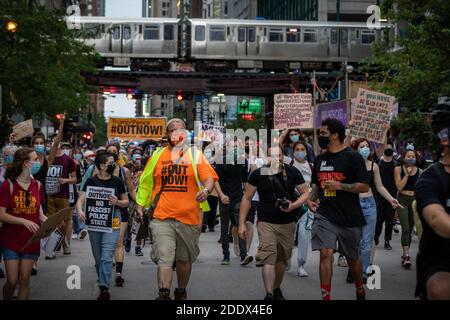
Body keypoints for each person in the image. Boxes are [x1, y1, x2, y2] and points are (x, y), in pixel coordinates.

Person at [136, 118, 216, 300]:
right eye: (172, 130)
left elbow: (209, 178)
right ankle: (163, 293)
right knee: (165, 256)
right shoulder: (157, 155)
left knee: (183, 260)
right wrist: (140, 206)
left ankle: (180, 290)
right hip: (161, 217)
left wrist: (205, 190)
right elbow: (146, 184)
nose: (177, 132)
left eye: (180, 129)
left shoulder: (195, 155)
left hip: (189, 217)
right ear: (167, 135)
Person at [307, 118, 370, 300]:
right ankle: (326, 296)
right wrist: (310, 200)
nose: (320, 137)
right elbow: (317, 187)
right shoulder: (320, 159)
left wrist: (341, 186)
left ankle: (359, 288)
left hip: (349, 217)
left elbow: (364, 186)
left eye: (324, 133)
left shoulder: (353, 157)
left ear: (335, 135)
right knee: (325, 253)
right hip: (325, 214)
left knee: (352, 258)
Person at [239, 144, 309, 300]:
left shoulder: (292, 172)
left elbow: (305, 193)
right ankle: (269, 293)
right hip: (266, 222)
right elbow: (246, 198)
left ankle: (276, 288)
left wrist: (293, 206)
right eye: (271, 155)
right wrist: (242, 223)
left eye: (278, 155)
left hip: (287, 222)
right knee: (268, 256)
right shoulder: (258, 174)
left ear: (283, 157)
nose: (275, 159)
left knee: (282, 260)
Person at [76, 152, 129, 300]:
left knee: (107, 255)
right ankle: (103, 279)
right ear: (102, 166)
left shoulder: (117, 181)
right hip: (95, 221)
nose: (114, 165)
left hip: (113, 219)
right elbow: (81, 199)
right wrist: (80, 210)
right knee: (98, 257)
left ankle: (104, 287)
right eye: (111, 163)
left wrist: (117, 202)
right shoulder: (91, 181)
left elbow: (126, 201)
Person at [350, 138, 400, 283]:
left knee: (367, 241)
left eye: (367, 146)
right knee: (354, 241)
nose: (365, 148)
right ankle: (353, 269)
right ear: (356, 149)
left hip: (370, 204)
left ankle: (364, 272)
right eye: (361, 146)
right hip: (354, 205)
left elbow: (380, 187)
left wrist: (391, 199)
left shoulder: (374, 166)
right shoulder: (350, 165)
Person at [414, 97, 450, 300]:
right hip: (440, 260)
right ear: (444, 137)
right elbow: (437, 220)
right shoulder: (430, 179)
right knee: (441, 289)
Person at [0, 148, 47, 299]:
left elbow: (39, 213)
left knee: (24, 280)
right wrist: (23, 221)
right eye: (35, 159)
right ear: (26, 163)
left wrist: (49, 221)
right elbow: (1, 215)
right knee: (12, 281)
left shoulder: (38, 185)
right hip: (11, 241)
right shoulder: (8, 185)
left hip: (31, 240)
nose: (38, 162)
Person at [100, 143, 137, 286]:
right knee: (105, 245)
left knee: (119, 242)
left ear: (118, 155)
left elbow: (131, 190)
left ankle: (119, 273)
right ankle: (104, 268)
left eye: (114, 152)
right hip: (102, 212)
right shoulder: (98, 171)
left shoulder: (124, 171)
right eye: (108, 151)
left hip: (120, 210)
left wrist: (140, 205)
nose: (111, 154)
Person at [215, 139, 252, 266]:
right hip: (224, 197)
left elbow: (245, 181)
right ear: (227, 147)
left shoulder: (243, 161)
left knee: (241, 224)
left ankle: (244, 255)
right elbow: (215, 180)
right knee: (224, 228)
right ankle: (226, 255)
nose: (235, 148)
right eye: (233, 146)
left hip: (238, 198)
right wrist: (221, 195)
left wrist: (246, 198)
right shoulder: (220, 161)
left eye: (238, 146)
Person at [283, 140, 314, 277]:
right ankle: (286, 259)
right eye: (297, 149)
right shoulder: (288, 164)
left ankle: (301, 265)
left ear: (306, 152)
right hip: (290, 205)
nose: (300, 151)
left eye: (303, 149)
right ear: (293, 151)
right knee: (289, 235)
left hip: (307, 206)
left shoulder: (312, 166)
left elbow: (315, 185)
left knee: (304, 235)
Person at [44, 141, 77, 258]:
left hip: (63, 196)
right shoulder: (47, 159)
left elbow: (75, 179)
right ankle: (51, 248)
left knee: (66, 222)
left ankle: (65, 243)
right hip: (50, 196)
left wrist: (65, 180)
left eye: (55, 144)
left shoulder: (68, 160)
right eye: (51, 144)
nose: (52, 146)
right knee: (50, 222)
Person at [394, 149, 422, 269]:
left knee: (410, 229)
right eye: (408, 156)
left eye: (413, 156)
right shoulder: (398, 169)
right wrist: (407, 174)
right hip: (402, 200)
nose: (411, 158)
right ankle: (406, 255)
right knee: (405, 228)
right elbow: (399, 187)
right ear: (404, 158)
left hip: (414, 200)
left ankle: (406, 253)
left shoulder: (420, 171)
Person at [375, 140, 398, 250]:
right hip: (380, 196)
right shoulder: (379, 163)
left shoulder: (396, 164)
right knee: (379, 219)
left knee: (389, 220)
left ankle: (387, 240)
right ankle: (376, 238)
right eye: (386, 147)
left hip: (392, 195)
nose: (388, 149)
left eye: (390, 147)